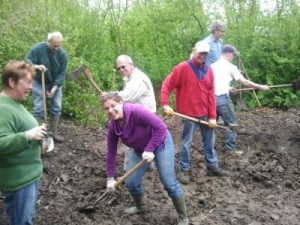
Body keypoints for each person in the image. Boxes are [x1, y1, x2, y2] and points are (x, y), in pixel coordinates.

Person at [101, 93, 189, 225]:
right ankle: (141, 206)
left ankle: (183, 217)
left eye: (113, 106)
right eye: (107, 109)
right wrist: (110, 178)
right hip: (140, 150)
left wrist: (150, 149)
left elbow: (161, 128)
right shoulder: (113, 127)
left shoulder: (137, 111)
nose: (110, 111)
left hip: (160, 142)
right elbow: (111, 152)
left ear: (121, 102)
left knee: (169, 183)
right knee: (130, 182)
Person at [161, 40, 229, 185]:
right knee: (186, 143)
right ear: (194, 51)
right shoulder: (182, 68)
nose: (203, 56)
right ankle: (184, 169)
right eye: (200, 53)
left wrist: (212, 116)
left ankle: (212, 166)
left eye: (205, 53)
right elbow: (167, 84)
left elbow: (211, 94)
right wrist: (165, 104)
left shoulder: (209, 70)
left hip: (205, 113)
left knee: (209, 142)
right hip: (188, 114)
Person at [0, 60, 47, 225]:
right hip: (19, 181)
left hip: (27, 176)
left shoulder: (14, 103)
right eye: (27, 82)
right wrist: (27, 136)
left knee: (26, 219)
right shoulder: (2, 108)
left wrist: (38, 138)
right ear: (12, 82)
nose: (31, 87)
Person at [209, 44, 270, 153]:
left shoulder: (212, 66)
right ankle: (230, 149)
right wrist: (261, 87)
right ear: (228, 54)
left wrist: (229, 88)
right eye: (233, 55)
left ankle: (207, 149)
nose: (233, 57)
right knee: (232, 123)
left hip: (211, 100)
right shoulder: (231, 67)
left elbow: (214, 84)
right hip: (222, 100)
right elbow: (245, 82)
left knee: (211, 124)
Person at [25, 31, 68, 143]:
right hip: (39, 81)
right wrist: (37, 66)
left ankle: (54, 133)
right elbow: (26, 63)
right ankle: (39, 135)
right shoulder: (38, 49)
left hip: (55, 82)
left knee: (57, 106)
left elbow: (62, 74)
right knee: (38, 107)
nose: (57, 48)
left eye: (59, 45)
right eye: (54, 45)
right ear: (48, 42)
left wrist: (54, 89)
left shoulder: (62, 55)